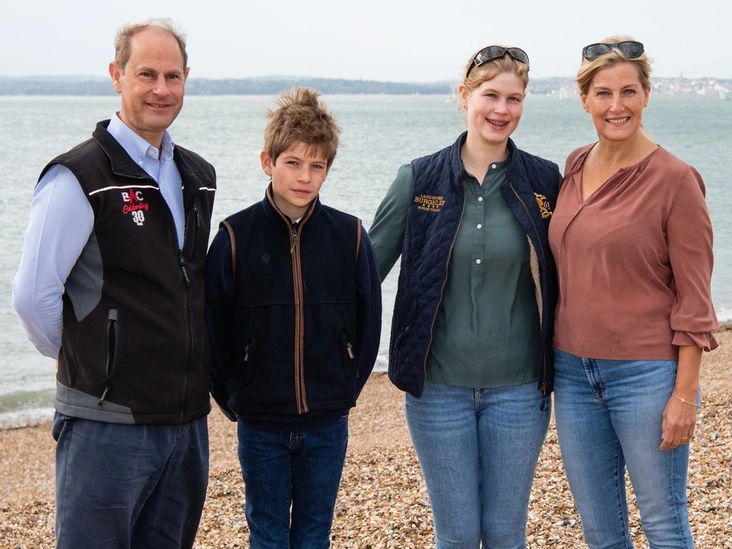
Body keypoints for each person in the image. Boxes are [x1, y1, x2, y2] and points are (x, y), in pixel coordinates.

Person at [11, 19, 216, 549]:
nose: (161, 89)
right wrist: (90, 360)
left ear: (186, 78)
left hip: (185, 423)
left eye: (173, 76)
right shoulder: (77, 175)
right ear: (117, 75)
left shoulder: (198, 176)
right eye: (146, 74)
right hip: (106, 424)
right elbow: (33, 297)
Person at [369, 46, 561, 548]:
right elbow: (361, 275)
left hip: (520, 391)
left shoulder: (545, 182)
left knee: (504, 533)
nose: (501, 109)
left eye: (513, 99)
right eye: (490, 95)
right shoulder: (418, 179)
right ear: (464, 96)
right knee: (455, 535)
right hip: (437, 391)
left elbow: (581, 269)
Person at [549, 36, 718, 548]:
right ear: (584, 99)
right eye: (603, 93)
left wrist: (684, 395)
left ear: (646, 94)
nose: (616, 106)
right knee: (600, 531)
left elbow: (695, 300)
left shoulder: (676, 180)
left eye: (628, 91)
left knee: (663, 521)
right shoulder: (574, 165)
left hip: (646, 376)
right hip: (572, 374)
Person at [204, 86, 382, 549]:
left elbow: (369, 324)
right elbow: (212, 329)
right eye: (293, 162)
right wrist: (236, 397)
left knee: (314, 533)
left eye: (317, 166)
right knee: (267, 533)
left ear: (328, 169)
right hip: (260, 423)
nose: (305, 177)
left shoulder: (350, 236)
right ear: (268, 162)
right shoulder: (234, 237)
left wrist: (344, 388)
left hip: (327, 421)